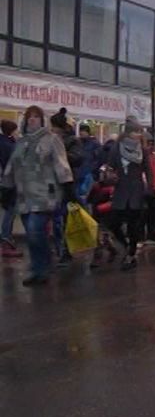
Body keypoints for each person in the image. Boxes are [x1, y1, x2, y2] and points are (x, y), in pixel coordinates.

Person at [0, 106, 76, 285]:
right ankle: (39, 268)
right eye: (29, 117)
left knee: (35, 230)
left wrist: (67, 186)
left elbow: (61, 163)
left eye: (36, 117)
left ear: (42, 120)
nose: (32, 119)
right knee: (32, 234)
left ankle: (42, 268)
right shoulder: (21, 142)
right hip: (24, 196)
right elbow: (12, 166)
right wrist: (6, 188)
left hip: (45, 194)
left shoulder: (51, 139)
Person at [103, 121, 153, 271]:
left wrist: (150, 188)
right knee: (113, 223)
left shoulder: (142, 150)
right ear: (128, 133)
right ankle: (125, 246)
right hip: (121, 190)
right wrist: (109, 175)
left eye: (140, 132)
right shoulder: (116, 148)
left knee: (134, 225)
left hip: (137, 190)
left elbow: (148, 170)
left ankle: (131, 254)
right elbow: (110, 167)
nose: (139, 135)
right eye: (136, 132)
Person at [49, 108, 82, 268]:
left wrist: (60, 154)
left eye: (54, 126)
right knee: (56, 219)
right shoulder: (48, 140)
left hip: (67, 184)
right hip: (51, 184)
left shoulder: (71, 140)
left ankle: (65, 251)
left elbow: (78, 159)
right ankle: (59, 250)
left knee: (64, 218)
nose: (52, 129)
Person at [0, 119, 21, 258]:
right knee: (10, 212)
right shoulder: (9, 145)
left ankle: (7, 241)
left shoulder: (4, 142)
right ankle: (6, 242)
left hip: (5, 182)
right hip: (10, 183)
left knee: (8, 211)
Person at [76, 123, 102, 201]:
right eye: (80, 132)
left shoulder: (94, 144)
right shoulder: (77, 142)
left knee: (86, 195)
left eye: (83, 131)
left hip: (89, 173)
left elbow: (98, 158)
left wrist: (93, 170)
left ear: (88, 132)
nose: (81, 133)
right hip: (78, 173)